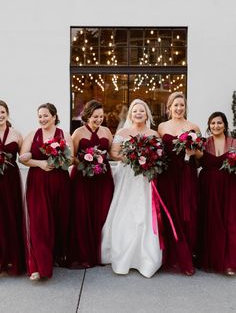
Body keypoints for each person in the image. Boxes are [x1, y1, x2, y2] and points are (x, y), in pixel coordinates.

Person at [101, 99, 163, 278]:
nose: (138, 113)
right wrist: (131, 159)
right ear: (130, 114)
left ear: (147, 114)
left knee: (144, 213)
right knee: (126, 211)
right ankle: (122, 254)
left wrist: (148, 159)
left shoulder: (153, 133)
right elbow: (114, 153)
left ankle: (145, 257)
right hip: (128, 176)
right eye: (135, 111)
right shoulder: (123, 132)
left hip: (146, 178)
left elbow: (159, 154)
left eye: (141, 111)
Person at [19, 103, 73, 281]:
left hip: (60, 182)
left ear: (54, 116)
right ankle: (39, 266)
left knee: (58, 221)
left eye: (45, 116)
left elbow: (71, 158)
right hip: (38, 183)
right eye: (40, 116)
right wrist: (38, 162)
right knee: (39, 222)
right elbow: (24, 157)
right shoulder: (32, 135)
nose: (42, 119)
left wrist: (59, 158)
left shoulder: (64, 134)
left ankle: (56, 256)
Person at [157, 92, 200, 275]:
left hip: (186, 173)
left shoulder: (193, 127)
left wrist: (192, 153)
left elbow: (200, 154)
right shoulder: (161, 127)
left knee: (186, 214)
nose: (179, 108)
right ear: (169, 108)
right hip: (167, 174)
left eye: (182, 105)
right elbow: (158, 151)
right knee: (170, 214)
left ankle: (187, 255)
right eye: (175, 105)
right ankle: (172, 257)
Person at [67, 100, 114, 268]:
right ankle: (83, 254)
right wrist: (84, 160)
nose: (99, 119)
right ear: (87, 115)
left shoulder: (107, 131)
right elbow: (71, 157)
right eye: (95, 116)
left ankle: (100, 253)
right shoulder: (78, 133)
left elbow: (113, 154)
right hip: (83, 178)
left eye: (101, 116)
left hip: (103, 178)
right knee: (82, 214)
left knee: (102, 212)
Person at [197, 112, 236, 275]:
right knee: (211, 220)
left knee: (230, 221)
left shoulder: (233, 142)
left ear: (225, 125)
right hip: (208, 187)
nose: (216, 126)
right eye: (212, 123)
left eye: (219, 123)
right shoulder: (203, 144)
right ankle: (211, 259)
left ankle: (229, 262)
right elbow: (195, 161)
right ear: (209, 125)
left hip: (230, 186)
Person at [0, 100, 25, 275]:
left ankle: (13, 260)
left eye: (2, 112)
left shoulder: (17, 134)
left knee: (11, 215)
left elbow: (24, 156)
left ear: (7, 113)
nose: (0, 115)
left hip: (11, 180)